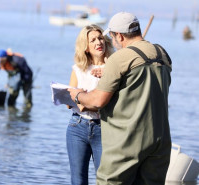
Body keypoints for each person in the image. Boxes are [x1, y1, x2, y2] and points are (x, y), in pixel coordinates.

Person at [68, 12, 172, 185]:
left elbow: (97, 100)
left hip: (128, 142)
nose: (111, 42)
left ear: (120, 36)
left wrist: (77, 95)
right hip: (160, 142)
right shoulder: (162, 53)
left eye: (111, 37)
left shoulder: (119, 58)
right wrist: (110, 72)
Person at [66, 24, 114, 185]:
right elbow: (69, 100)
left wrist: (82, 100)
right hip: (77, 126)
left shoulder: (114, 69)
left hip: (104, 128)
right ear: (86, 47)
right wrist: (81, 99)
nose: (98, 42)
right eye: (92, 40)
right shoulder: (78, 69)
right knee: (78, 180)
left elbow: (104, 103)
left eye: (100, 38)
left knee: (105, 179)